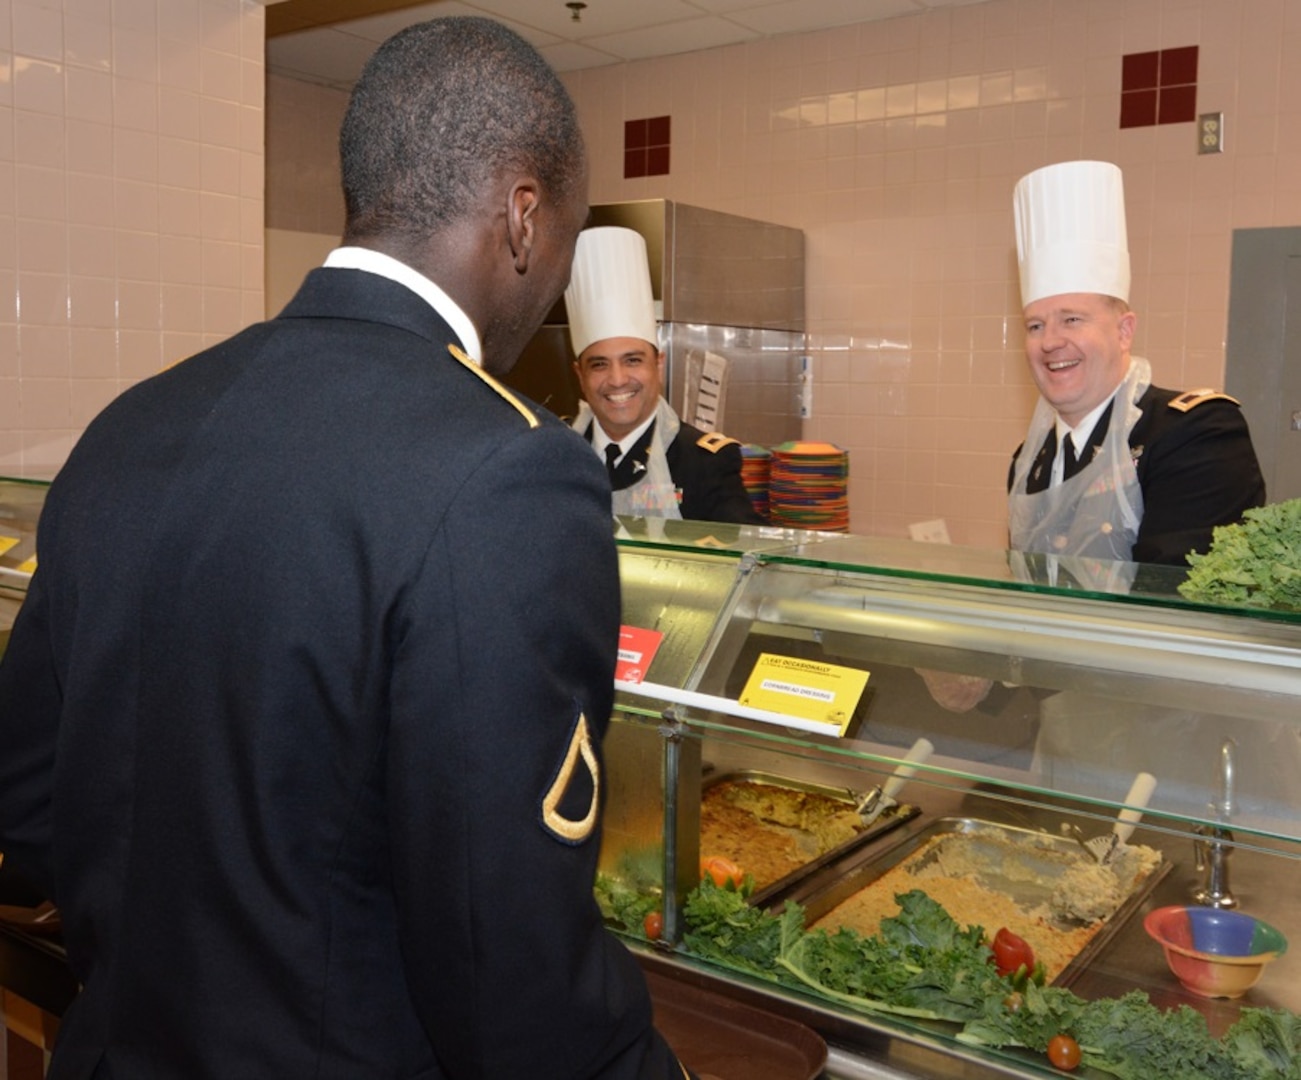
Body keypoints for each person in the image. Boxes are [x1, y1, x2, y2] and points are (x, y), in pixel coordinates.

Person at [0, 18, 698, 1080]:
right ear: (521, 216)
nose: (551, 281)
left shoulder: (130, 426)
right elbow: (498, 955)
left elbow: (29, 807)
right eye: (560, 238)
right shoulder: (503, 471)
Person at [1007, 160, 1265, 567]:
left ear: (1124, 331)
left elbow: (1174, 602)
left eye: (1072, 319)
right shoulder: (1031, 459)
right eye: (1035, 325)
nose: (1051, 341)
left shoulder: (1197, 434)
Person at [565, 226, 765, 526]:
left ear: (658, 365)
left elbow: (746, 559)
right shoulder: (553, 452)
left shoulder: (704, 463)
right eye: (599, 365)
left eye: (632, 360)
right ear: (579, 374)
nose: (618, 379)